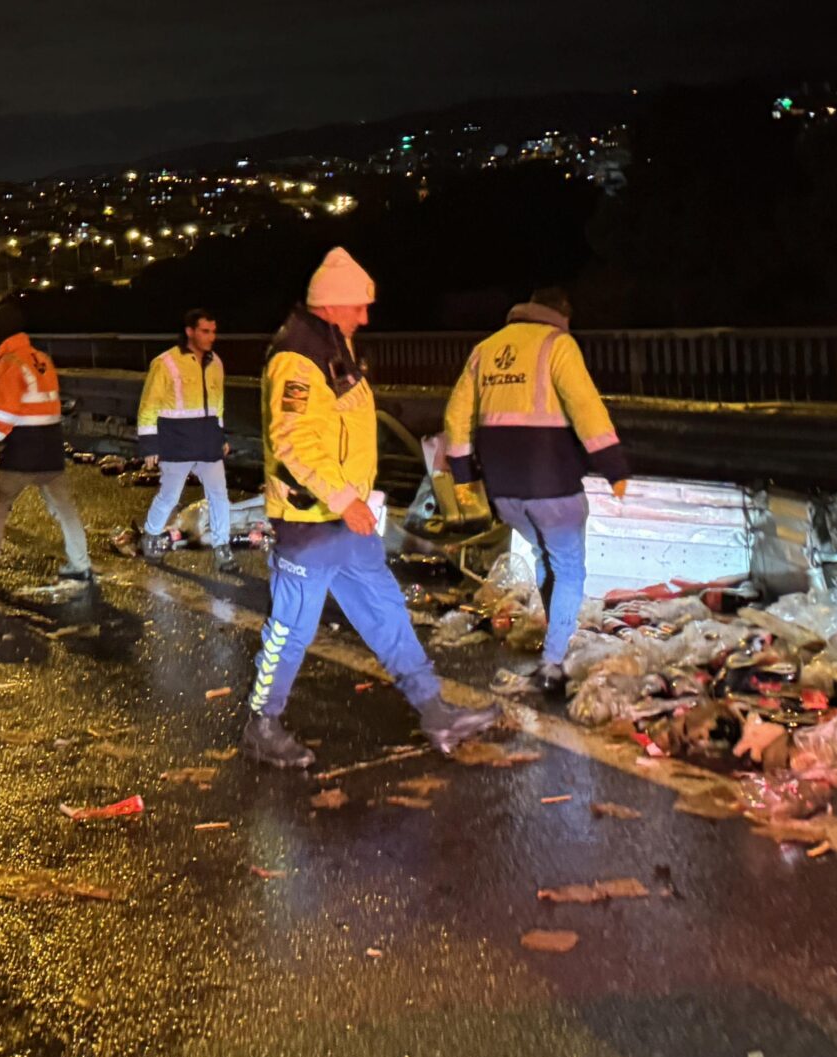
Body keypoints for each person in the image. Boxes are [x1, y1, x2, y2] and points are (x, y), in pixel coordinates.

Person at [242, 248, 499, 768]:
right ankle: (261, 724)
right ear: (333, 306)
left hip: (349, 521)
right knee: (290, 630)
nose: (366, 316)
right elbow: (292, 443)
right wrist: (342, 499)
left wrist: (355, 503)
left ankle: (433, 710)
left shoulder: (337, 346)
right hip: (309, 523)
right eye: (359, 306)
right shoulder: (299, 355)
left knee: (386, 613)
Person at [443, 286, 633, 697]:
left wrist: (462, 475)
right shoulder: (557, 344)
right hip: (553, 484)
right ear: (561, 315)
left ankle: (556, 642)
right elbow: (585, 406)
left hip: (504, 490)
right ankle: (553, 664)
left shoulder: (486, 348)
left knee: (547, 558)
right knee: (569, 568)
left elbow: (456, 414)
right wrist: (614, 466)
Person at [0, 299, 90, 587]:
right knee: (64, 509)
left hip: (24, 452)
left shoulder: (10, 363)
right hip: (51, 448)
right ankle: (81, 564)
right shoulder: (39, 359)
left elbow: (3, 416)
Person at [135, 307, 237, 570]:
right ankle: (151, 535)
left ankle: (222, 548)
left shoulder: (216, 363)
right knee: (169, 496)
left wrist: (220, 436)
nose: (211, 337)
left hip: (207, 443)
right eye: (205, 331)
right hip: (176, 443)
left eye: (213, 331)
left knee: (219, 496)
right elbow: (149, 405)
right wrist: (149, 445)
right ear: (189, 332)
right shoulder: (165, 363)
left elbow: (218, 406)